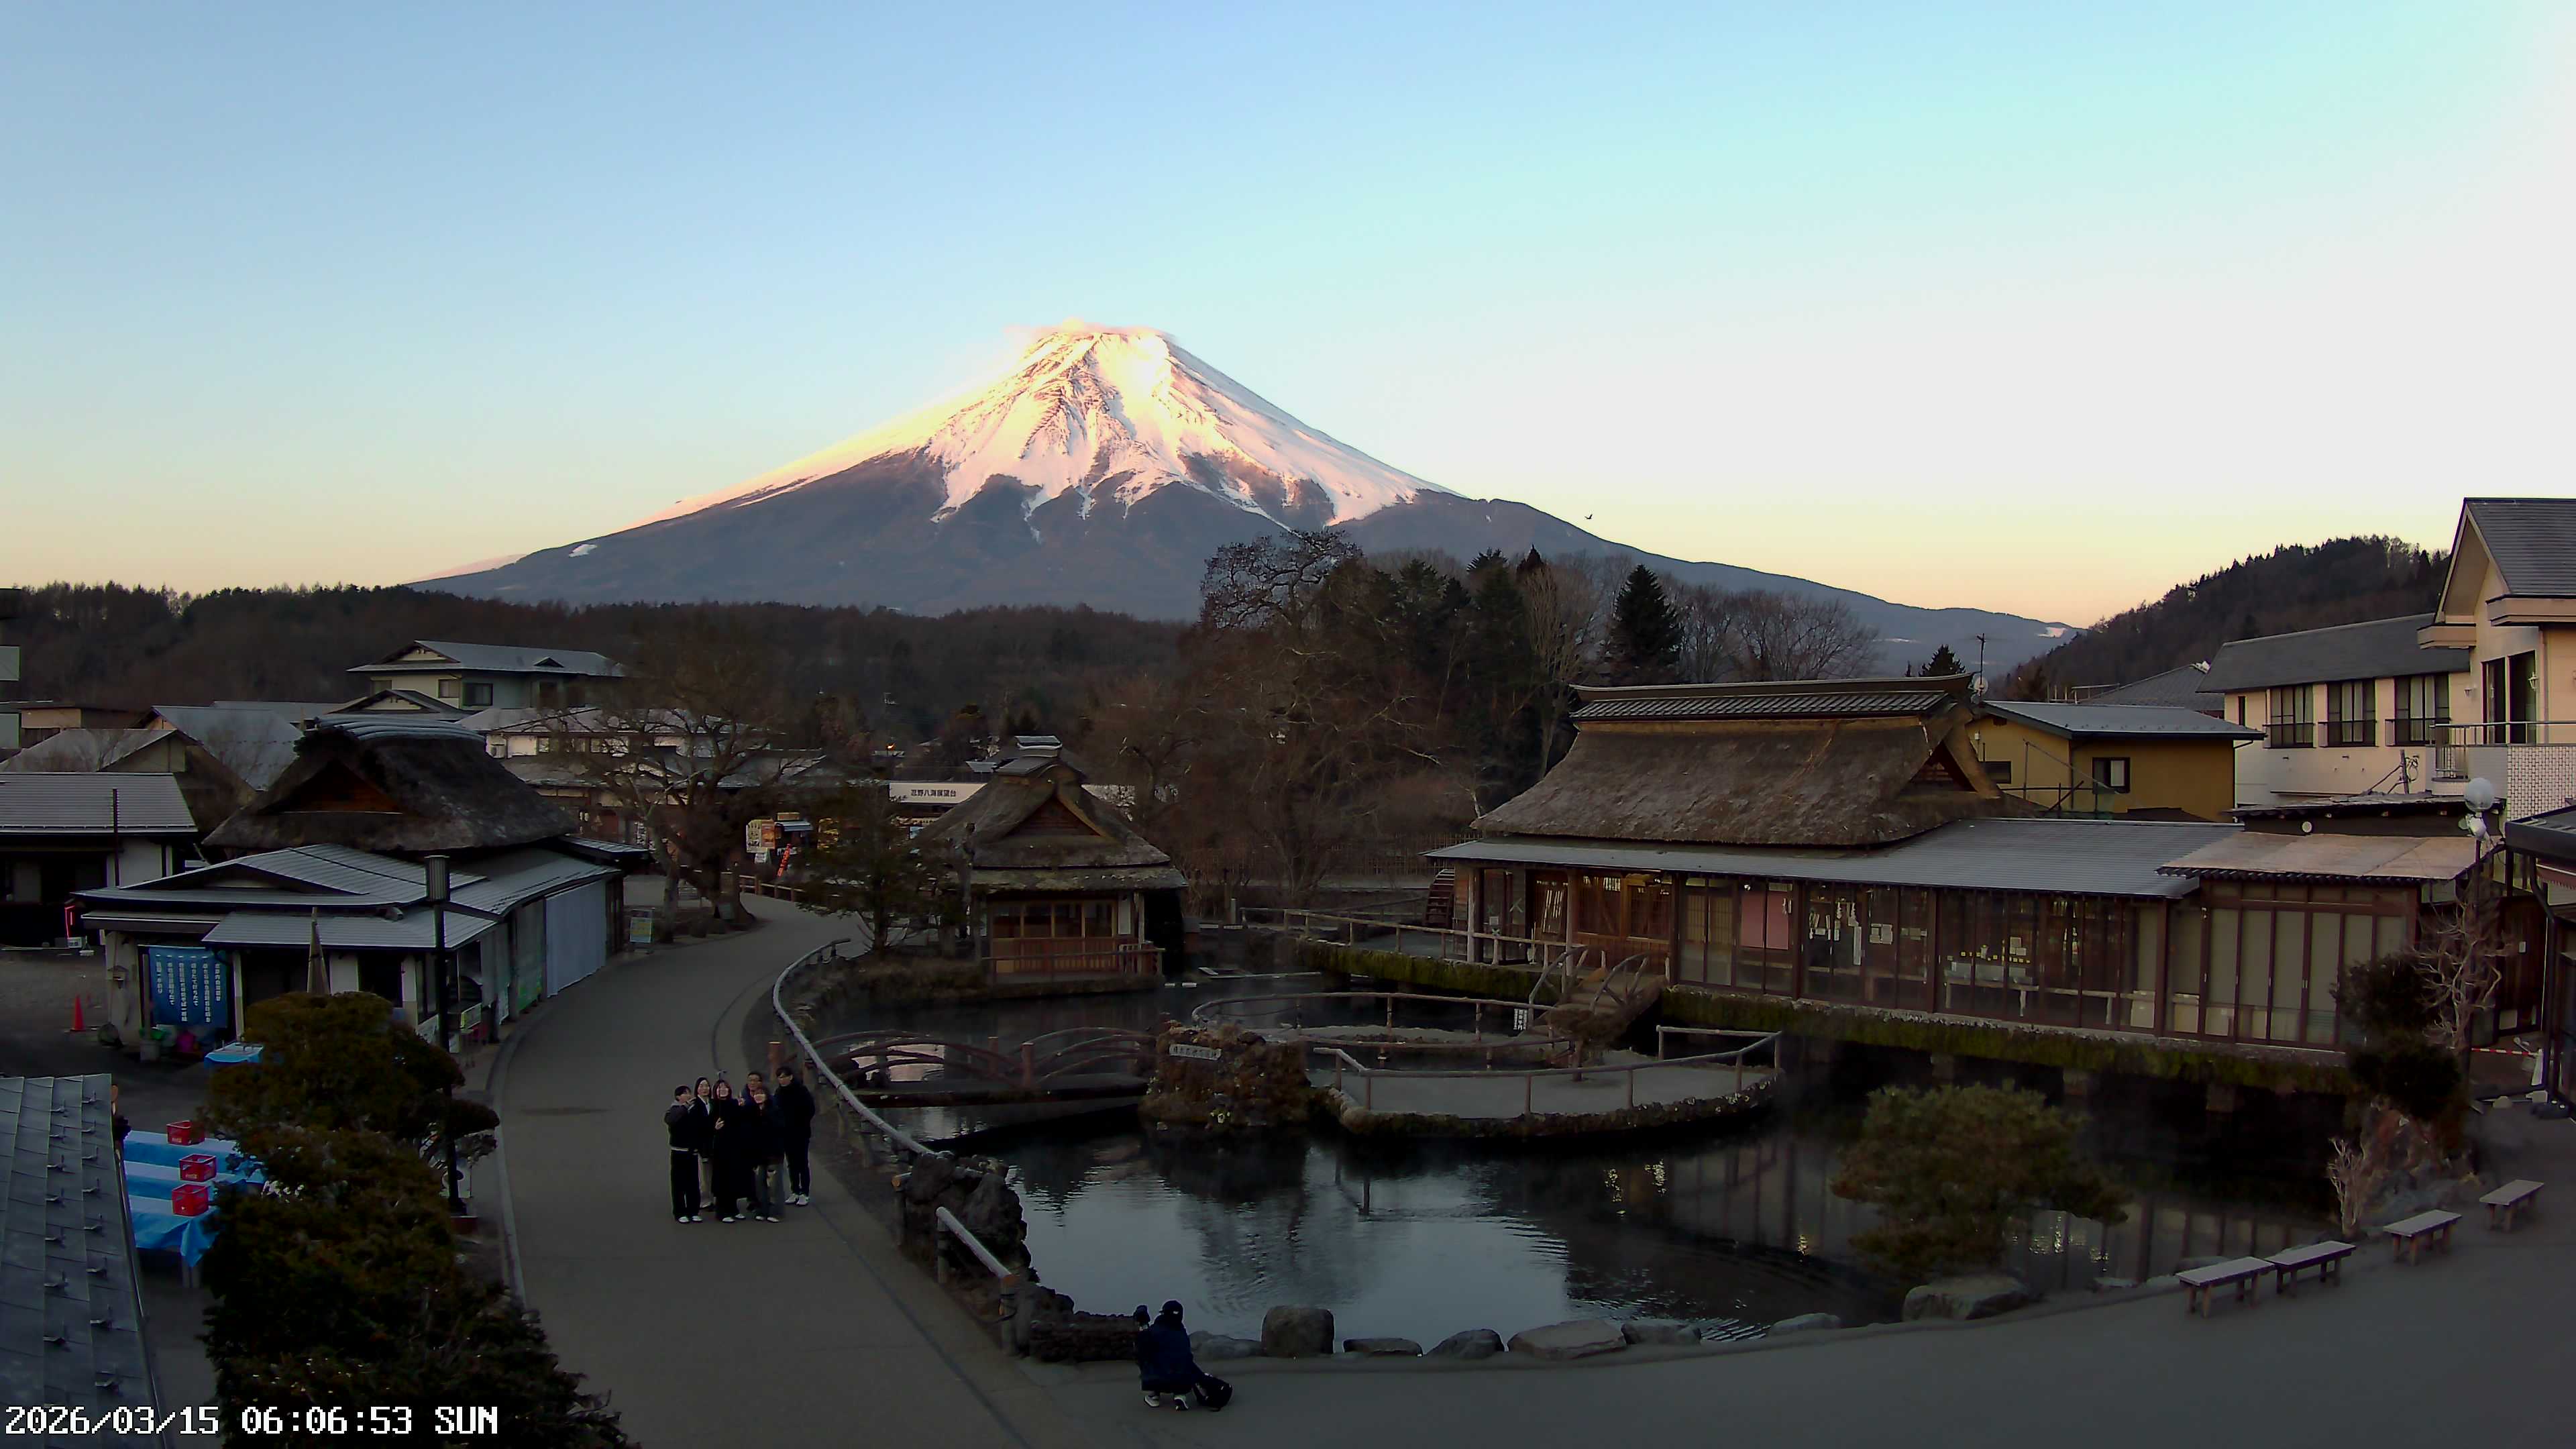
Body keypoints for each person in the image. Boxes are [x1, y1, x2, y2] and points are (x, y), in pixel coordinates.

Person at [1136, 1301, 1212, 1411]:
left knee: (1150, 1359)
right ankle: (1180, 1395)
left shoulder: (1154, 1330)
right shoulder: (1182, 1332)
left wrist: (1143, 1327)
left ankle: (1155, 1396)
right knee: (1180, 1362)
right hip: (1182, 1378)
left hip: (1160, 1377)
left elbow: (1142, 1351)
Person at [773, 1065, 816, 1205]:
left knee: (802, 1162)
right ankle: (795, 1191)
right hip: (786, 1134)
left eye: (784, 1077)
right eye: (779, 1077)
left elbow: (810, 1109)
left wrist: (800, 1123)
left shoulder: (801, 1091)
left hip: (801, 1132)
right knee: (791, 1163)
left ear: (791, 1077)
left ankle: (805, 1192)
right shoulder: (778, 1093)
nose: (782, 1080)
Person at [706, 1079, 750, 1222]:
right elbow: (706, 1128)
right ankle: (722, 1212)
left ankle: (733, 1208)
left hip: (735, 1147)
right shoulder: (714, 1106)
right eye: (720, 1088)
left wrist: (743, 1107)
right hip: (720, 1148)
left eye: (725, 1087)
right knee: (722, 1180)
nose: (723, 1090)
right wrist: (715, 1128)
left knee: (734, 1178)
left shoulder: (734, 1104)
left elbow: (743, 1122)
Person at [743, 1085, 782, 1222]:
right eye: (756, 1094)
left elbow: (778, 1128)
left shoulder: (774, 1110)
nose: (758, 1096)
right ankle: (761, 1210)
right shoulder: (750, 1111)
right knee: (759, 1184)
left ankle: (774, 1212)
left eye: (761, 1093)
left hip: (773, 1153)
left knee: (773, 1184)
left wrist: (764, 1114)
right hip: (757, 1154)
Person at [663, 1085, 702, 1223]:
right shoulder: (674, 1110)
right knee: (679, 1184)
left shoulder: (694, 1110)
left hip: (691, 1152)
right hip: (678, 1152)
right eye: (684, 1094)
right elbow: (671, 1120)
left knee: (693, 1183)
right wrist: (685, 1107)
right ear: (678, 1097)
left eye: (688, 1093)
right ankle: (680, 1212)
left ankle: (693, 1211)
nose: (688, 1096)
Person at [692, 1076, 717, 1200]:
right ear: (697, 1089)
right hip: (701, 1145)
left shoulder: (713, 1103)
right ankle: (705, 1200)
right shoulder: (694, 1105)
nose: (704, 1088)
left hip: (714, 1144)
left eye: (706, 1085)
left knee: (714, 1174)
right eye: (701, 1086)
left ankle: (714, 1197)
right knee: (703, 1174)